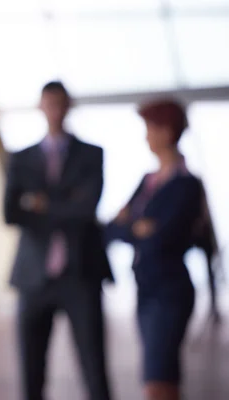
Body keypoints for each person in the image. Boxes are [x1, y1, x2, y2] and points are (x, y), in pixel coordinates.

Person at [4, 81, 113, 400]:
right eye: (48, 103)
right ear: (41, 107)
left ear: (69, 107)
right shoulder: (20, 158)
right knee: (31, 373)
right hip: (33, 276)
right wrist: (67, 202)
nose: (54, 110)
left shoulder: (92, 154)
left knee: (95, 369)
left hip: (80, 273)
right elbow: (10, 212)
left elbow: (87, 208)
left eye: (60, 103)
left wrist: (40, 203)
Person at [105, 99, 206, 400]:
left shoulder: (186, 185)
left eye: (149, 128)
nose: (145, 136)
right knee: (158, 373)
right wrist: (139, 226)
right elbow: (112, 229)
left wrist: (133, 225)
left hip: (170, 289)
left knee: (159, 377)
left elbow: (163, 237)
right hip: (146, 288)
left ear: (166, 131)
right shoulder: (147, 181)